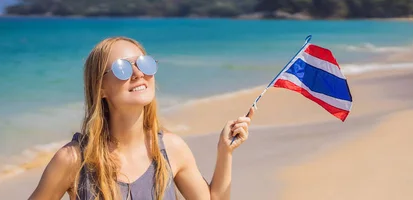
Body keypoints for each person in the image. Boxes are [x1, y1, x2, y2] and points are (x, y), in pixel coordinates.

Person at [28, 36, 254, 200]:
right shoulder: (74, 160)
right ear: (100, 89)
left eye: (143, 63)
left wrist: (225, 152)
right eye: (122, 69)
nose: (138, 74)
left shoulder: (171, 149)